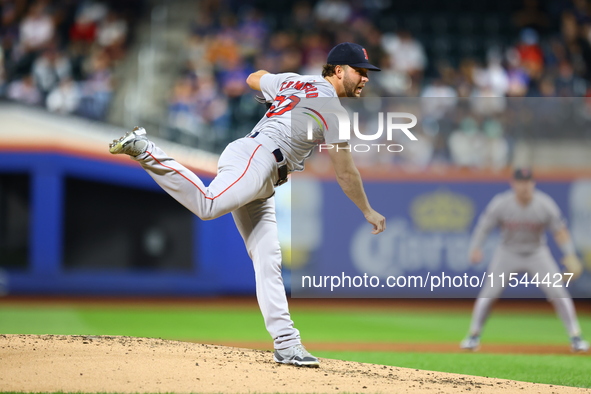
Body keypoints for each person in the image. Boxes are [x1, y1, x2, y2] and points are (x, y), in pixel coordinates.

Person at [109, 42, 386, 367]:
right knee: (208, 204)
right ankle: (145, 148)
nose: (365, 78)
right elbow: (346, 172)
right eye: (360, 71)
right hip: (258, 159)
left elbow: (255, 77)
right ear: (338, 70)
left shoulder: (296, 81)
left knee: (268, 260)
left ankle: (287, 344)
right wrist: (367, 210)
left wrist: (274, 90)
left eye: (367, 72)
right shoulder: (333, 110)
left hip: (262, 170)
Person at [461, 168, 589, 352]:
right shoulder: (502, 203)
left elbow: (560, 231)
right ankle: (473, 336)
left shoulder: (544, 204)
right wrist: (475, 247)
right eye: (521, 182)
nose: (524, 186)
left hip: (537, 253)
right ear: (514, 184)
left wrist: (570, 254)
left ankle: (576, 337)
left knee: (558, 293)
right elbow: (484, 226)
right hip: (508, 252)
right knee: (488, 294)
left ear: (533, 183)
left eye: (528, 181)